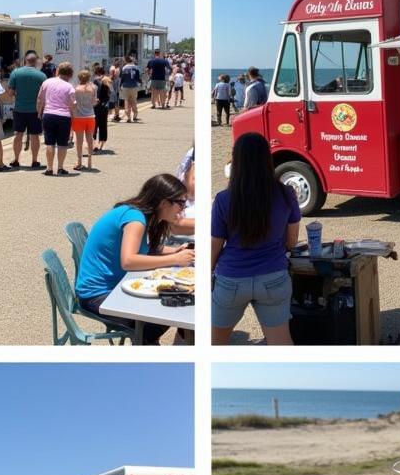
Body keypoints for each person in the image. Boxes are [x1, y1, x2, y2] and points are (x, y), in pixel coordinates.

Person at [75, 174, 194, 344]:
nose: (183, 209)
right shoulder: (135, 220)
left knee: (169, 305)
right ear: (164, 203)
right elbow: (129, 261)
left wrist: (174, 251)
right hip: (97, 295)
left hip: (110, 286)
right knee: (160, 317)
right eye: (181, 203)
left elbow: (143, 249)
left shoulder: (138, 214)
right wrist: (175, 259)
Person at [212, 131, 300, 346]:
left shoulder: (224, 199)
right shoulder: (286, 194)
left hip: (232, 278)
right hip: (274, 276)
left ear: (237, 161)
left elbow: (214, 247)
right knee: (281, 343)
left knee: (215, 343)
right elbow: (291, 242)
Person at [7, 52, 47, 169]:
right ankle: (34, 161)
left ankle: (16, 160)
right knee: (35, 136)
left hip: (19, 109)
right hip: (35, 110)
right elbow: (43, 95)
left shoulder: (16, 73)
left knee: (18, 134)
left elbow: (10, 92)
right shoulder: (41, 75)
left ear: (25, 61)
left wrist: (17, 96)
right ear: (35, 62)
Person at [36, 61, 76, 176]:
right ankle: (60, 168)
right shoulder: (69, 87)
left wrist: (39, 112)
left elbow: (40, 99)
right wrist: (74, 117)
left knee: (50, 142)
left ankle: (49, 168)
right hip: (64, 116)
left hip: (48, 115)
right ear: (70, 74)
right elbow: (72, 104)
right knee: (62, 144)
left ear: (57, 71)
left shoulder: (47, 82)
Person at [71, 69, 98, 172]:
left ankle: (79, 162)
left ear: (79, 78)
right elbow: (94, 103)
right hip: (90, 116)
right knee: (90, 139)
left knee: (79, 141)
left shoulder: (76, 89)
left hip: (78, 117)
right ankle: (90, 161)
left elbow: (73, 103)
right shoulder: (93, 88)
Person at [118, 55, 141, 123]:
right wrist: (140, 82)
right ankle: (135, 115)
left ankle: (128, 117)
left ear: (126, 60)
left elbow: (122, 78)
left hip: (125, 86)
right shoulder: (136, 67)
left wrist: (120, 86)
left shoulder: (124, 68)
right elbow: (137, 78)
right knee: (133, 101)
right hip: (134, 86)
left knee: (127, 101)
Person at [93, 67, 111, 153]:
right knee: (103, 125)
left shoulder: (96, 81)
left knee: (94, 125)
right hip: (105, 106)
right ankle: (101, 145)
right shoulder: (107, 80)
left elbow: (96, 94)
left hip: (96, 106)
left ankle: (94, 144)